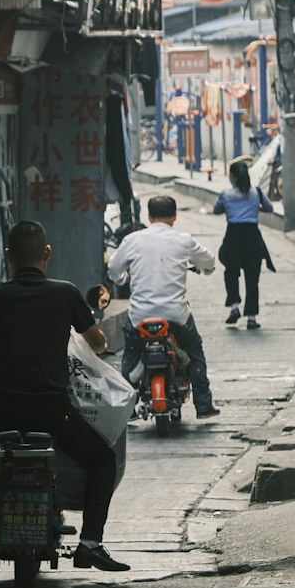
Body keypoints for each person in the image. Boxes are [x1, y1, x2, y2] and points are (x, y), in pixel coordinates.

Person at [0, 220, 130, 575]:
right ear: (46, 253)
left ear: (8, 256)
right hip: (54, 412)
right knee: (102, 460)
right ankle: (90, 544)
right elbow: (99, 343)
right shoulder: (65, 293)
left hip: (2, 412)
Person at [107, 194, 220, 419]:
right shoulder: (184, 240)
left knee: (129, 355)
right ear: (174, 217)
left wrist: (123, 280)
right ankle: (204, 405)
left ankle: (126, 409)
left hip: (139, 316)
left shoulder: (133, 240)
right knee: (195, 351)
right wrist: (205, 270)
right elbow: (209, 261)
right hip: (176, 315)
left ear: (149, 216)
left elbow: (113, 269)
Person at [213, 160, 276, 331]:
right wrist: (256, 208)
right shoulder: (257, 192)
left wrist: (230, 208)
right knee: (252, 280)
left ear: (232, 177)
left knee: (231, 272)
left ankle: (234, 307)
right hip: (252, 238)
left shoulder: (225, 194)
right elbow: (269, 208)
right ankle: (251, 318)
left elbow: (216, 210)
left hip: (233, 238)